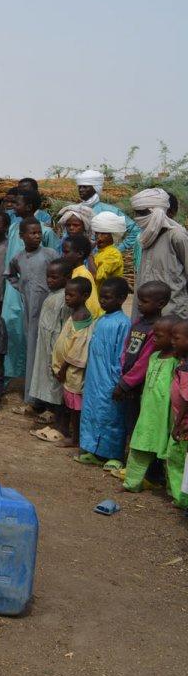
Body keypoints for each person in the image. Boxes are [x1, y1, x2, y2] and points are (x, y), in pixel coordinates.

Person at [2, 191, 59, 382]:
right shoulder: (13, 229)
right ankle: (11, 375)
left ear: (28, 207)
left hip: (40, 294)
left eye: (16, 203)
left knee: (36, 335)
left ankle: (33, 381)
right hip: (16, 292)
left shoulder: (47, 233)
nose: (12, 206)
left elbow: (54, 264)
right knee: (12, 330)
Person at [77, 277, 131, 470]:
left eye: (108, 298)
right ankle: (93, 450)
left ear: (122, 299)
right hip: (94, 377)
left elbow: (122, 356)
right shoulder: (100, 319)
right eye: (101, 297)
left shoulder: (123, 323)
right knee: (93, 412)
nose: (103, 301)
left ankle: (114, 454)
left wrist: (119, 381)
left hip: (110, 379)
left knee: (112, 416)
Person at [115, 282, 171, 441]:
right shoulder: (138, 323)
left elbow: (145, 362)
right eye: (139, 300)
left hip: (141, 385)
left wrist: (126, 383)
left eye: (144, 301)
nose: (139, 304)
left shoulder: (157, 330)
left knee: (140, 422)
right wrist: (123, 374)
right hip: (128, 382)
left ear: (160, 304)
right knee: (130, 419)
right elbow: (125, 350)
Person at [29, 260, 73, 444]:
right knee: (49, 384)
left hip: (57, 350)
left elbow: (65, 328)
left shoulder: (65, 299)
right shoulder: (52, 295)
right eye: (48, 276)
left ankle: (61, 426)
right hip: (46, 348)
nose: (50, 280)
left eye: (55, 277)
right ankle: (54, 420)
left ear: (67, 278)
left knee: (58, 388)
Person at [131, 188, 188, 318]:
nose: (139, 218)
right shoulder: (146, 237)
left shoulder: (177, 236)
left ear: (159, 212)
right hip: (147, 315)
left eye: (143, 213)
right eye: (137, 213)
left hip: (173, 315)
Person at [52, 278, 94, 449]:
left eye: (71, 295)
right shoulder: (74, 313)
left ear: (85, 296)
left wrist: (63, 368)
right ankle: (68, 431)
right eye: (66, 294)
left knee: (76, 408)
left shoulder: (82, 316)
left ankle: (75, 438)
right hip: (66, 371)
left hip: (73, 372)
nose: (67, 298)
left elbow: (77, 349)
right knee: (69, 404)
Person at [75, 169, 139, 258]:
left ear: (95, 188)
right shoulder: (75, 210)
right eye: (80, 187)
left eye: (85, 187)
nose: (81, 190)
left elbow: (135, 230)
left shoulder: (110, 210)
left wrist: (119, 248)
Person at [165, 320, 188, 505]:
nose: (172, 341)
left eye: (176, 338)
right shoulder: (182, 362)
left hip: (184, 424)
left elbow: (187, 399)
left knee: (177, 460)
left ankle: (181, 498)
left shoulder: (186, 368)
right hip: (181, 421)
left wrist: (179, 423)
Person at [61, 234, 102, 318]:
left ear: (79, 254)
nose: (63, 256)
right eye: (63, 252)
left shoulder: (83, 275)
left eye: (66, 252)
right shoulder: (72, 273)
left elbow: (92, 306)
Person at [89, 212, 126, 282]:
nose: (99, 237)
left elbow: (97, 276)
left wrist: (89, 253)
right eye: (96, 233)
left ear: (113, 235)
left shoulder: (114, 254)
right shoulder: (99, 253)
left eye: (103, 233)